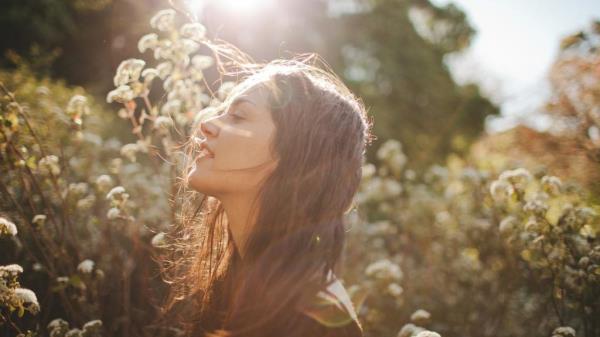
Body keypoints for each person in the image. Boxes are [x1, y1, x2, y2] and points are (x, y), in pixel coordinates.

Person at [155, 46, 374, 337]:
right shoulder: (242, 280)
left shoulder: (314, 319)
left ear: (295, 156)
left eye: (238, 117)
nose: (206, 125)